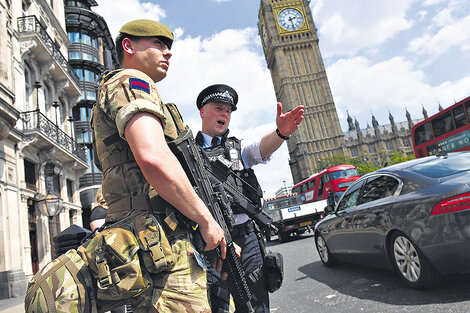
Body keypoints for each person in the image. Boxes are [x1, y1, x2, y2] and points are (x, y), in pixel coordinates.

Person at [92, 19, 226, 313]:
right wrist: (206, 220)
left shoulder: (118, 88)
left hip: (153, 236)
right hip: (153, 238)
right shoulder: (131, 81)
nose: (168, 53)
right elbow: (153, 158)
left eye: (169, 47)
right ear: (128, 46)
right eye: (158, 44)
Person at [195, 84, 304, 313]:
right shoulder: (189, 154)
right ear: (203, 111)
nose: (224, 114)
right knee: (218, 304)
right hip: (211, 242)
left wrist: (281, 133)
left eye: (228, 110)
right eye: (218, 108)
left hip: (247, 237)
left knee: (256, 302)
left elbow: (262, 148)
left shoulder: (237, 150)